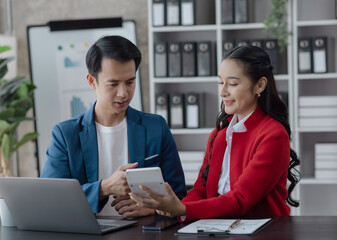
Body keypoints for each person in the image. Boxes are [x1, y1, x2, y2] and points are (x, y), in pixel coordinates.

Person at [130, 45, 300, 221]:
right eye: (221, 82)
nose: (223, 91)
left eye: (233, 84)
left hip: (262, 232)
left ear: (260, 85)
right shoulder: (219, 135)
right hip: (218, 229)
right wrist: (165, 209)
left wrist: (181, 209)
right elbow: (200, 191)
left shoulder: (273, 135)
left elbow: (241, 199)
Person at [41, 35, 187, 218]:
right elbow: (50, 199)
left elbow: (180, 195)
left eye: (130, 82)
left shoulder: (156, 127)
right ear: (91, 81)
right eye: (113, 84)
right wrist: (104, 187)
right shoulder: (65, 135)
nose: (123, 93)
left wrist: (152, 208)